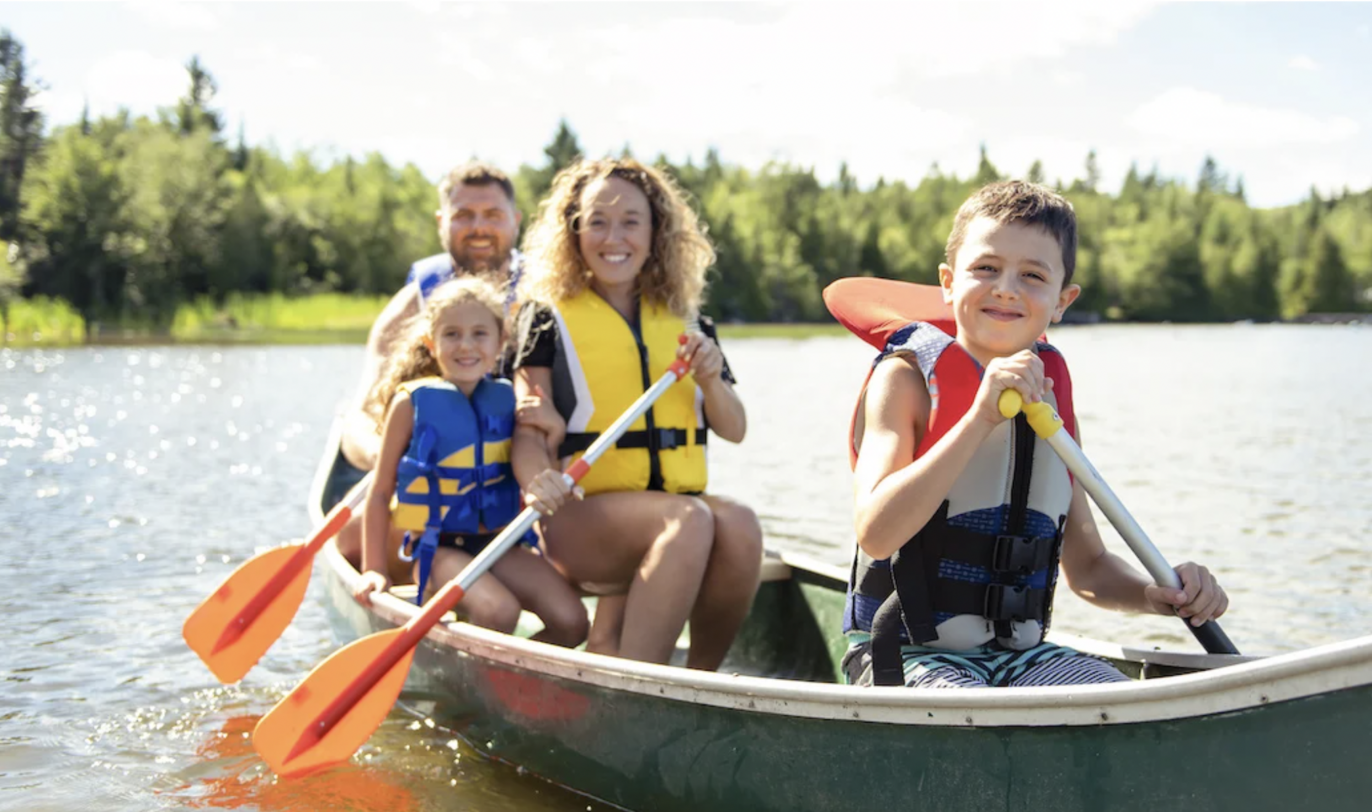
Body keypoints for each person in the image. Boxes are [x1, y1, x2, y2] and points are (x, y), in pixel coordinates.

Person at [842, 180, 1229, 688]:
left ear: (1062, 299)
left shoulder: (1051, 399)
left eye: (1032, 275)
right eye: (986, 268)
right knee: (973, 715)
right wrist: (979, 418)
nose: (1006, 288)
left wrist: (1153, 595)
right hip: (901, 651)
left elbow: (1088, 570)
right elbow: (876, 530)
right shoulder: (906, 381)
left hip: (1021, 659)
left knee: (1120, 701)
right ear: (948, 281)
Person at [511, 157, 764, 667]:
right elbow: (529, 427)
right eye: (597, 220)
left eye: (631, 220)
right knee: (688, 518)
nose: (614, 236)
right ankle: (644, 684)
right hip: (580, 517)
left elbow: (733, 428)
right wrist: (538, 478)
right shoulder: (545, 318)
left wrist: (711, 378)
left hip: (671, 510)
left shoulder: (690, 321)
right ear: (574, 229)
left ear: (655, 232)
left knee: (739, 523)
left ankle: (702, 682)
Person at [355, 276, 588, 646]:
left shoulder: (508, 399)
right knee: (500, 611)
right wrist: (374, 570)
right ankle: (476, 690)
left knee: (573, 622)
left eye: (480, 334)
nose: (466, 345)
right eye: (451, 334)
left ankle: (515, 684)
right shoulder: (409, 404)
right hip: (438, 548)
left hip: (501, 543)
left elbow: (541, 476)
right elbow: (381, 491)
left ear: (501, 343)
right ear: (431, 344)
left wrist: (555, 433)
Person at [335, 161, 526, 569]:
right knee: (349, 538)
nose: (479, 227)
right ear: (442, 222)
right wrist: (393, 460)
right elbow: (358, 424)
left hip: (516, 492)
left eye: (492, 215)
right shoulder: (410, 306)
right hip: (434, 502)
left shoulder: (545, 297)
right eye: (463, 215)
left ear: (515, 221)